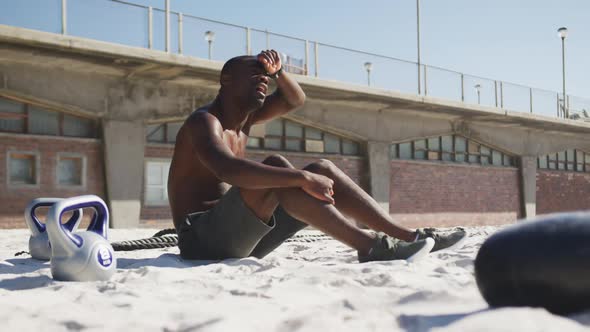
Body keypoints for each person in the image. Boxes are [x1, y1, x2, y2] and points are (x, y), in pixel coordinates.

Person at [168, 50, 466, 262]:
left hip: (244, 238)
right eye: (256, 75)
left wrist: (280, 72)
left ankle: (408, 237)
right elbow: (227, 169)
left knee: (322, 167)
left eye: (266, 78)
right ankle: (369, 246)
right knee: (280, 169)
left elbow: (295, 98)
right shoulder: (204, 121)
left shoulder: (246, 120)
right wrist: (301, 176)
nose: (264, 81)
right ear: (227, 79)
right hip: (201, 241)